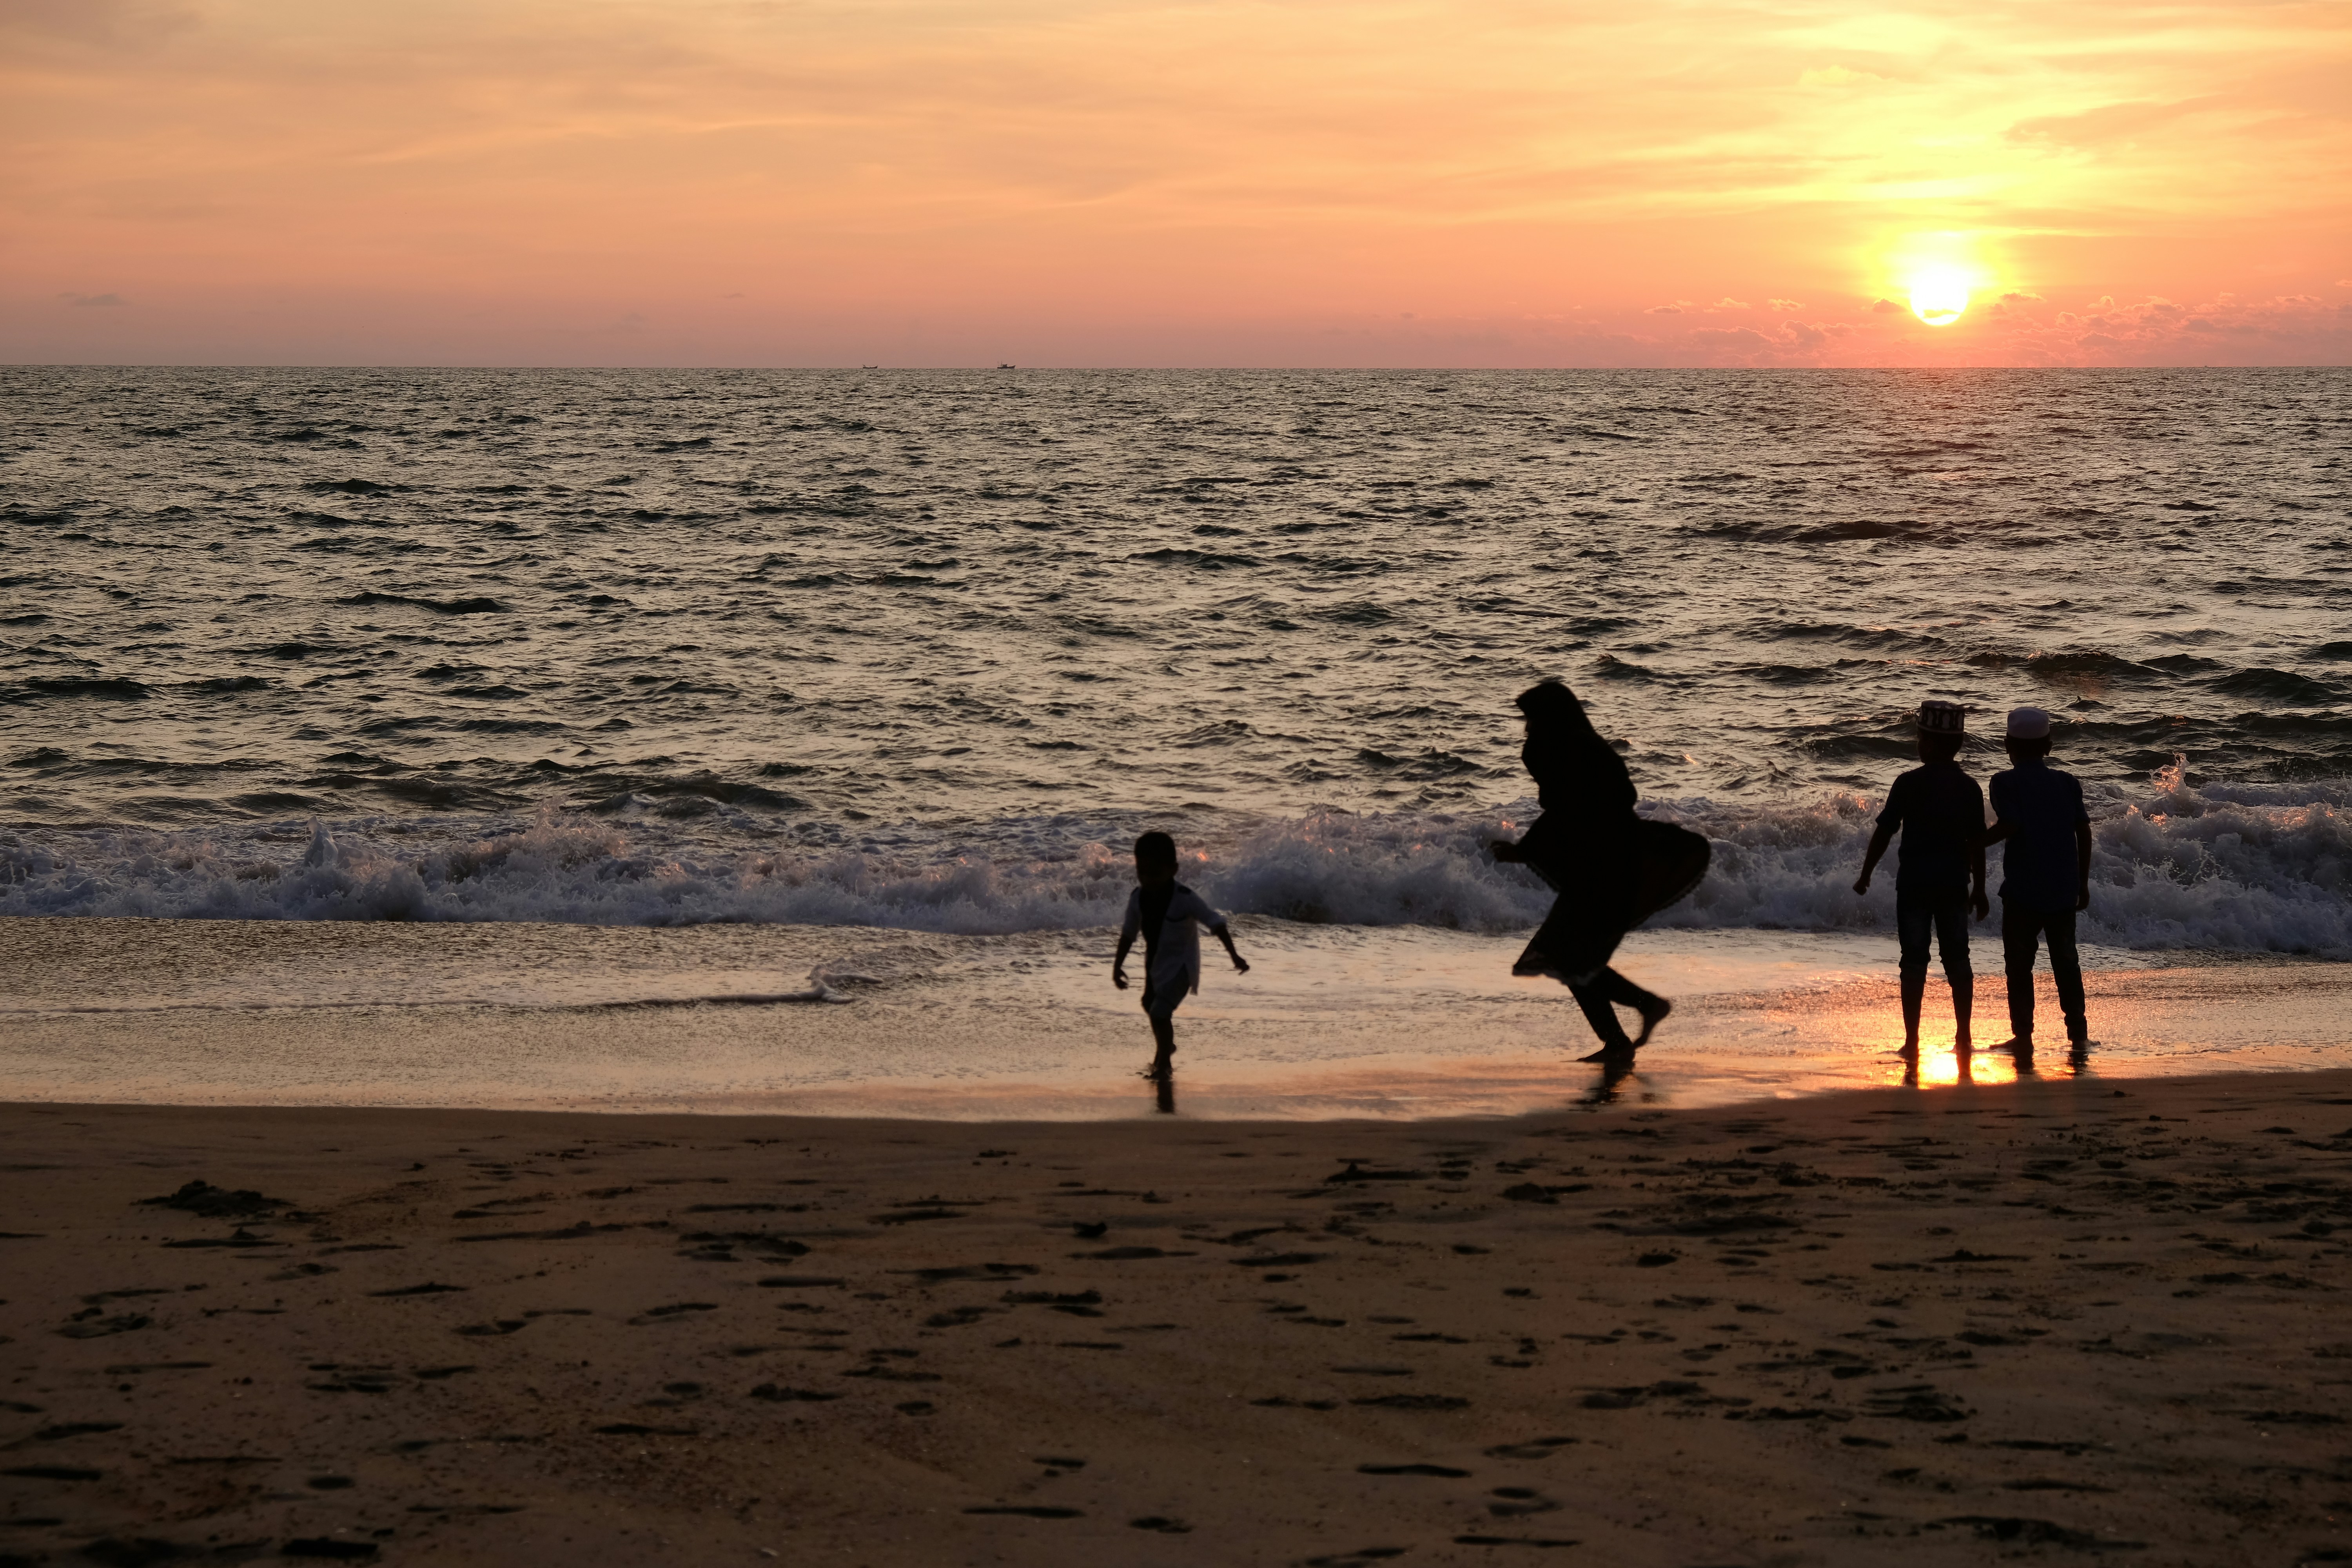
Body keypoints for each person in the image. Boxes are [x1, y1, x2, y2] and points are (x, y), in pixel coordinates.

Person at [1490, 681, 1706, 1062]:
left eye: (1532, 718)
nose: (1527, 728)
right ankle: (1622, 1036)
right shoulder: (1581, 746)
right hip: (1611, 862)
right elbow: (1598, 804)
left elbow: (1567, 809)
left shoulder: (1568, 750)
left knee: (1570, 956)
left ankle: (1641, 1013)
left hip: (1608, 867)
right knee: (1570, 957)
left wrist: (1523, 850)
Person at [1852, 700, 1989, 1057]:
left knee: (1913, 961)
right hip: (1954, 885)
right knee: (1958, 959)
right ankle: (1964, 1038)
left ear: (1927, 744)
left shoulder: (1908, 783)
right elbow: (1977, 844)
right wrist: (1981, 889)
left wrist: (1866, 874)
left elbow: (1884, 832)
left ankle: (1913, 1042)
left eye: (1918, 737)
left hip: (1913, 885)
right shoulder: (1970, 788)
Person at [1980, 706, 2093, 1047]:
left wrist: (1971, 843)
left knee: (2019, 966)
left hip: (2023, 889)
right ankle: (2078, 1035)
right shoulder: (2067, 783)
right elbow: (2084, 832)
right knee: (2066, 962)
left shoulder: (2003, 782)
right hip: (2062, 887)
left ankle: (2023, 1037)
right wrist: (2082, 882)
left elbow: (2011, 824)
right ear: (2049, 746)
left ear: (2006, 744)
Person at [1112, 831, 1249, 1079]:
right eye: (1142, 873)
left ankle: (1164, 1065)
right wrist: (1117, 966)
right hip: (1154, 965)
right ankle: (1167, 1046)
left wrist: (1235, 956)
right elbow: (1128, 935)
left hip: (1182, 968)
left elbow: (1216, 923)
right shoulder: (1137, 899)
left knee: (1159, 1012)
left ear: (1173, 869)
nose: (1148, 880)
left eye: (1155, 873)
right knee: (1149, 1005)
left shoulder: (1185, 899)